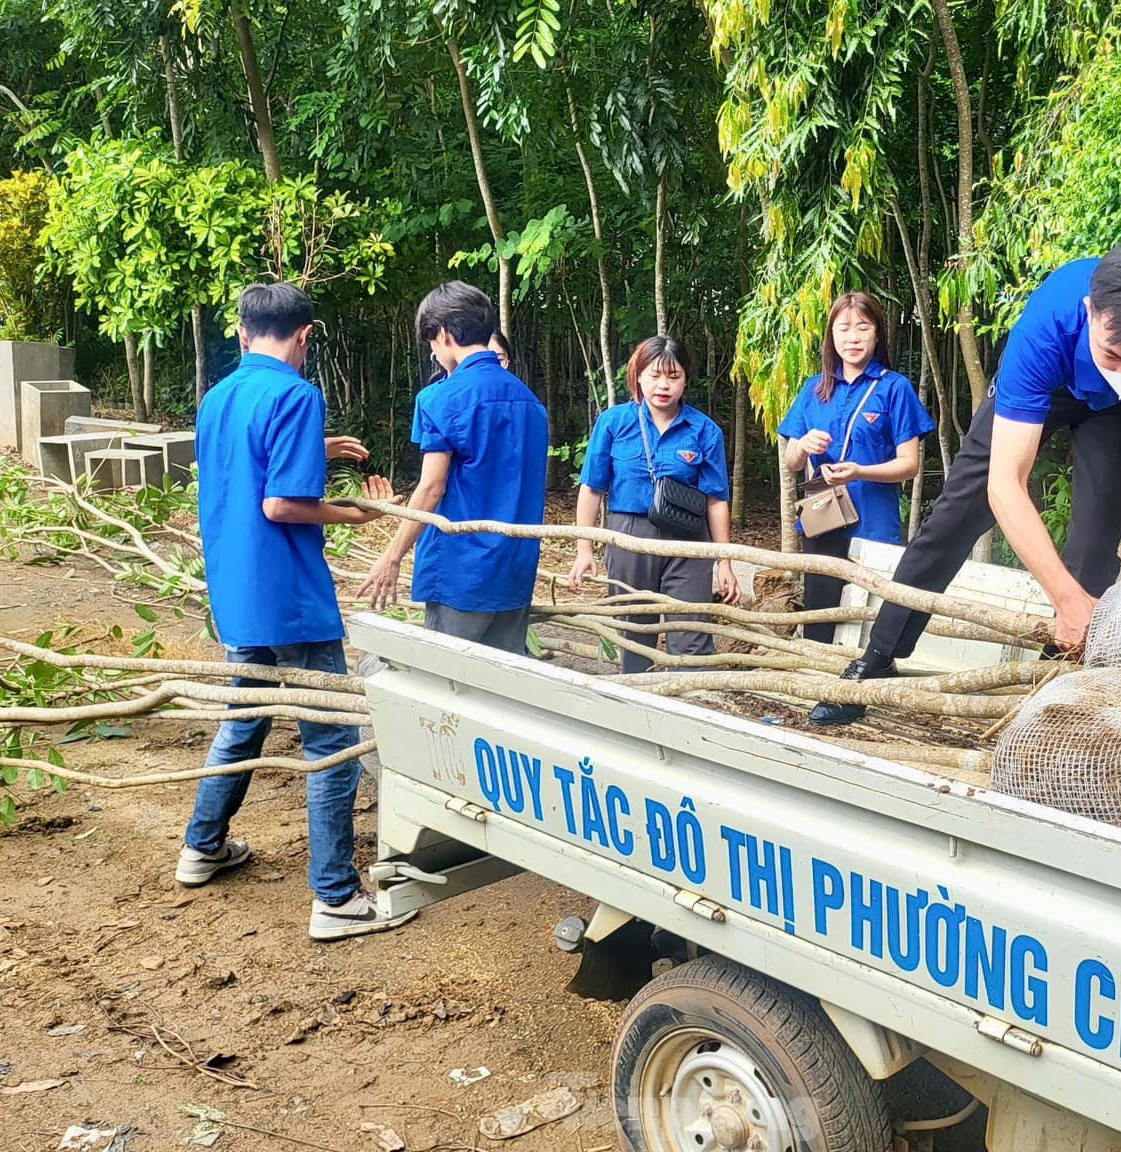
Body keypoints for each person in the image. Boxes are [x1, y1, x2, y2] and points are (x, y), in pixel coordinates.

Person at [809, 241, 1121, 726]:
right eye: (1112, 354)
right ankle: (877, 659)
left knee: (1096, 540)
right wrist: (1063, 599)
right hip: (1045, 388)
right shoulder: (1048, 322)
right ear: (1091, 312)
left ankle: (1055, 693)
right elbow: (1006, 483)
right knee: (954, 518)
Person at [176, 282, 406, 942]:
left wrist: (319, 448)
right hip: (291, 597)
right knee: (331, 741)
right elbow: (281, 504)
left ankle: (202, 846)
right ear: (305, 336)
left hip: (238, 594)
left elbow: (247, 465)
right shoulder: (297, 394)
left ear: (244, 334)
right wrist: (359, 514)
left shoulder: (220, 397)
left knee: (243, 721)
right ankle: (336, 896)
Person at [357, 283, 548, 654]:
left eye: (432, 342)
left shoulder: (440, 398)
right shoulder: (531, 403)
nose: (433, 352)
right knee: (504, 682)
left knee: (448, 682)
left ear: (444, 335)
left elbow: (432, 487)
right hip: (516, 566)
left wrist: (392, 556)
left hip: (461, 567)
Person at [568, 336, 740, 673]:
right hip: (628, 534)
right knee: (635, 629)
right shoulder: (614, 423)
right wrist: (583, 549)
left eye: (673, 376)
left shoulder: (704, 430)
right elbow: (591, 489)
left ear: (685, 379)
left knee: (691, 632)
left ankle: (691, 709)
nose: (663, 385)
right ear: (638, 377)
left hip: (688, 540)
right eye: (654, 375)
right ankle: (636, 708)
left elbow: (717, 499)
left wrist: (724, 562)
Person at [778, 292, 935, 643]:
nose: (853, 337)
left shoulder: (895, 388)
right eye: (843, 328)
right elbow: (791, 461)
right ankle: (817, 685)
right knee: (820, 612)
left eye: (863, 328)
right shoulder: (814, 389)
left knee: (871, 618)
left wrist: (861, 472)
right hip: (823, 518)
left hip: (875, 521)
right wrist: (802, 447)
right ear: (831, 335)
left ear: (877, 334)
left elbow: (910, 465)